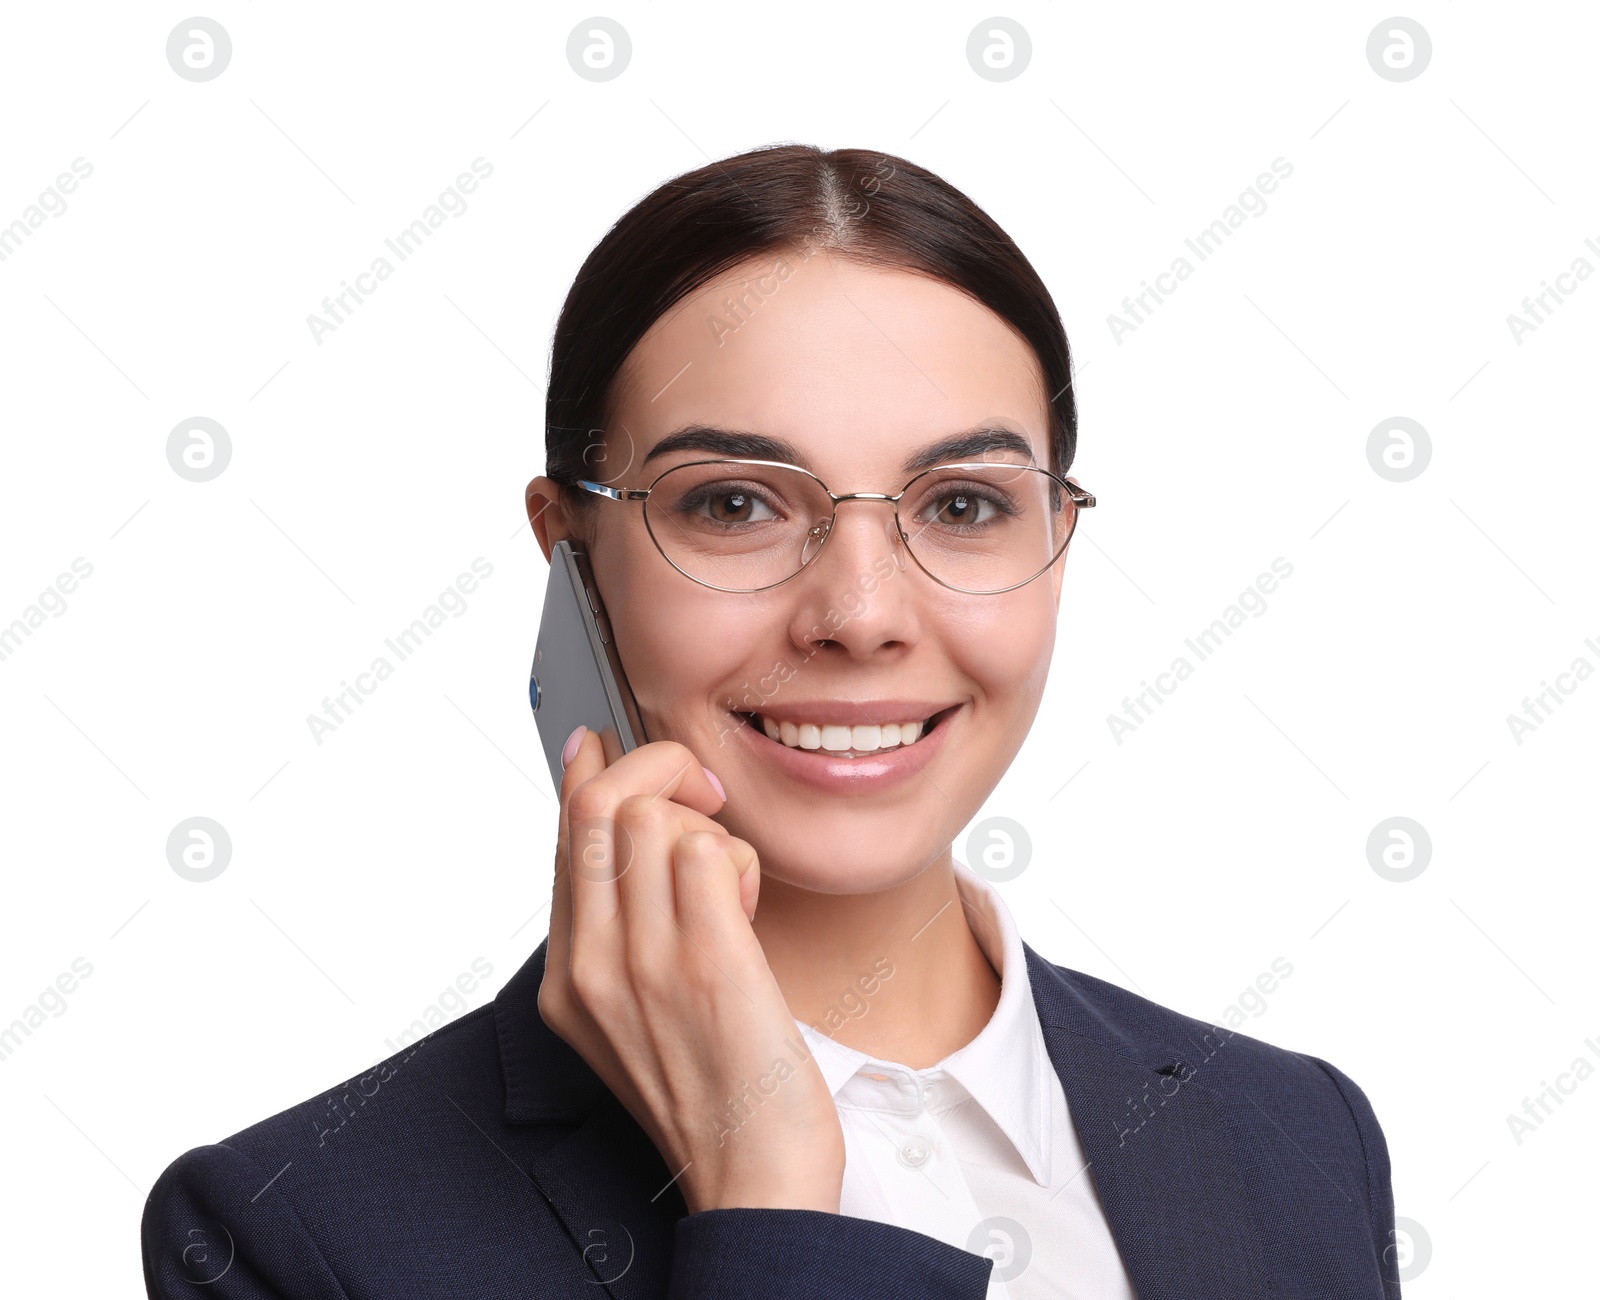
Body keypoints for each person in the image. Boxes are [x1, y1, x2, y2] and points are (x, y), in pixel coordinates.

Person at [141, 144, 1400, 1299]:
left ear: (1058, 548)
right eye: (736, 503)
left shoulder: (1294, 1140)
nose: (858, 615)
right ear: (570, 556)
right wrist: (768, 1196)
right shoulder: (292, 1232)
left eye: (962, 506)